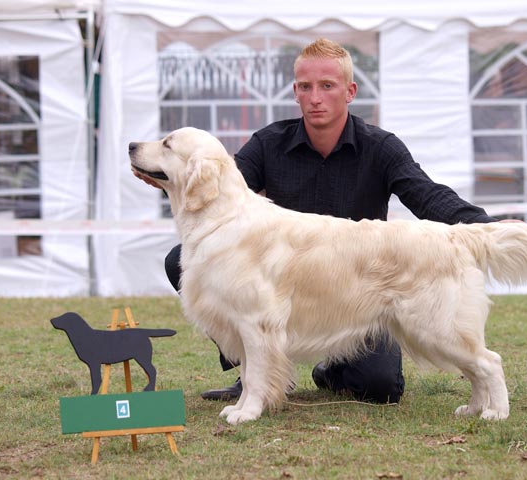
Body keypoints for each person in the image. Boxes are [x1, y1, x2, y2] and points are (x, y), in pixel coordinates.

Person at [135, 38, 499, 405]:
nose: (315, 97)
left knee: (379, 387)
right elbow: (226, 190)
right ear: (295, 92)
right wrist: (171, 176)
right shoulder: (269, 143)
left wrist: (483, 227)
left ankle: (326, 368)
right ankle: (256, 371)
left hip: (362, 287)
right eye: (305, 87)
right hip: (288, 288)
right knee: (184, 261)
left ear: (350, 91)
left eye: (327, 86)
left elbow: (426, 195)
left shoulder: (381, 147)